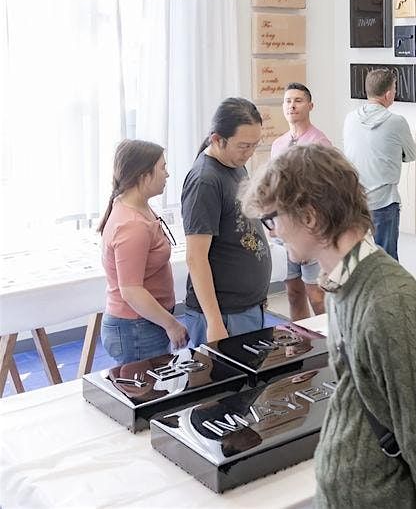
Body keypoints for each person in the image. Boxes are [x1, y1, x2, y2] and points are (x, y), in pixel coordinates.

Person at [241, 144, 416, 507]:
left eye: (272, 219)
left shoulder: (390, 303)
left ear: (310, 216)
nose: (272, 233)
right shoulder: (341, 285)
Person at [180, 98, 271, 345]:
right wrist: (214, 322)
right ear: (217, 140)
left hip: (246, 308)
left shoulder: (235, 164)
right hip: (223, 314)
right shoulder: (205, 181)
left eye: (254, 145)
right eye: (243, 146)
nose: (249, 153)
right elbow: (195, 258)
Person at [97, 140, 188, 364]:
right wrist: (171, 325)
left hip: (144, 323)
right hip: (136, 327)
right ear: (143, 175)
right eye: (163, 168)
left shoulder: (139, 207)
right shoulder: (132, 225)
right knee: (146, 385)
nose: (167, 174)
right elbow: (131, 291)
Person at [270, 83, 332, 320]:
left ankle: (330, 340)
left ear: (310, 106)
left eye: (298, 100)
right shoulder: (278, 144)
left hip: (310, 232)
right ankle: (301, 340)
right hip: (284, 231)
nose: (292, 106)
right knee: (293, 293)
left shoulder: (319, 143)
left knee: (316, 296)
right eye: (288, 101)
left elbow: (327, 193)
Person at [343, 68, 416, 261]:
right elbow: (411, 155)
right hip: (384, 201)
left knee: (357, 261)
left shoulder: (350, 118)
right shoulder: (397, 122)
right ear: (388, 94)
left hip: (355, 202)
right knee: (387, 261)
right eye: (394, 89)